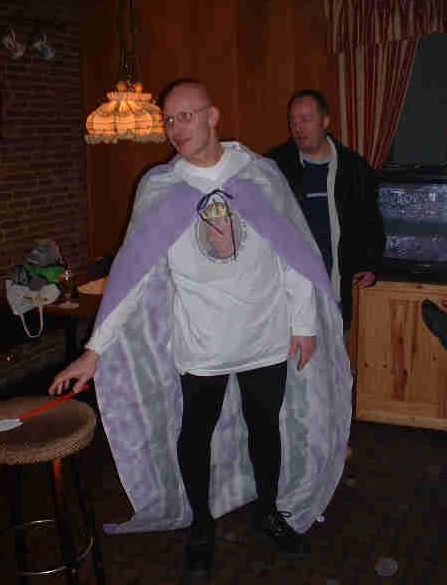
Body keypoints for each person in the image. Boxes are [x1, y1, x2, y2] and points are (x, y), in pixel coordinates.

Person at [49, 80, 352, 578]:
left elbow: (293, 255)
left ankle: (268, 513)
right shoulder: (160, 188)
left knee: (265, 430)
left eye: (185, 116)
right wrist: (95, 350)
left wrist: (303, 324)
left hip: (265, 337)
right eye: (168, 120)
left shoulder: (260, 176)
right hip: (202, 344)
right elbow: (132, 275)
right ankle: (201, 526)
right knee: (195, 435)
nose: (175, 128)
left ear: (213, 116)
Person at [266, 90, 385, 331]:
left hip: (335, 287)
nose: (297, 127)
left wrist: (371, 263)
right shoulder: (273, 166)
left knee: (335, 351)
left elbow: (370, 221)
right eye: (292, 121)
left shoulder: (355, 169)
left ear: (325, 121)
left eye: (305, 119)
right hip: (287, 291)